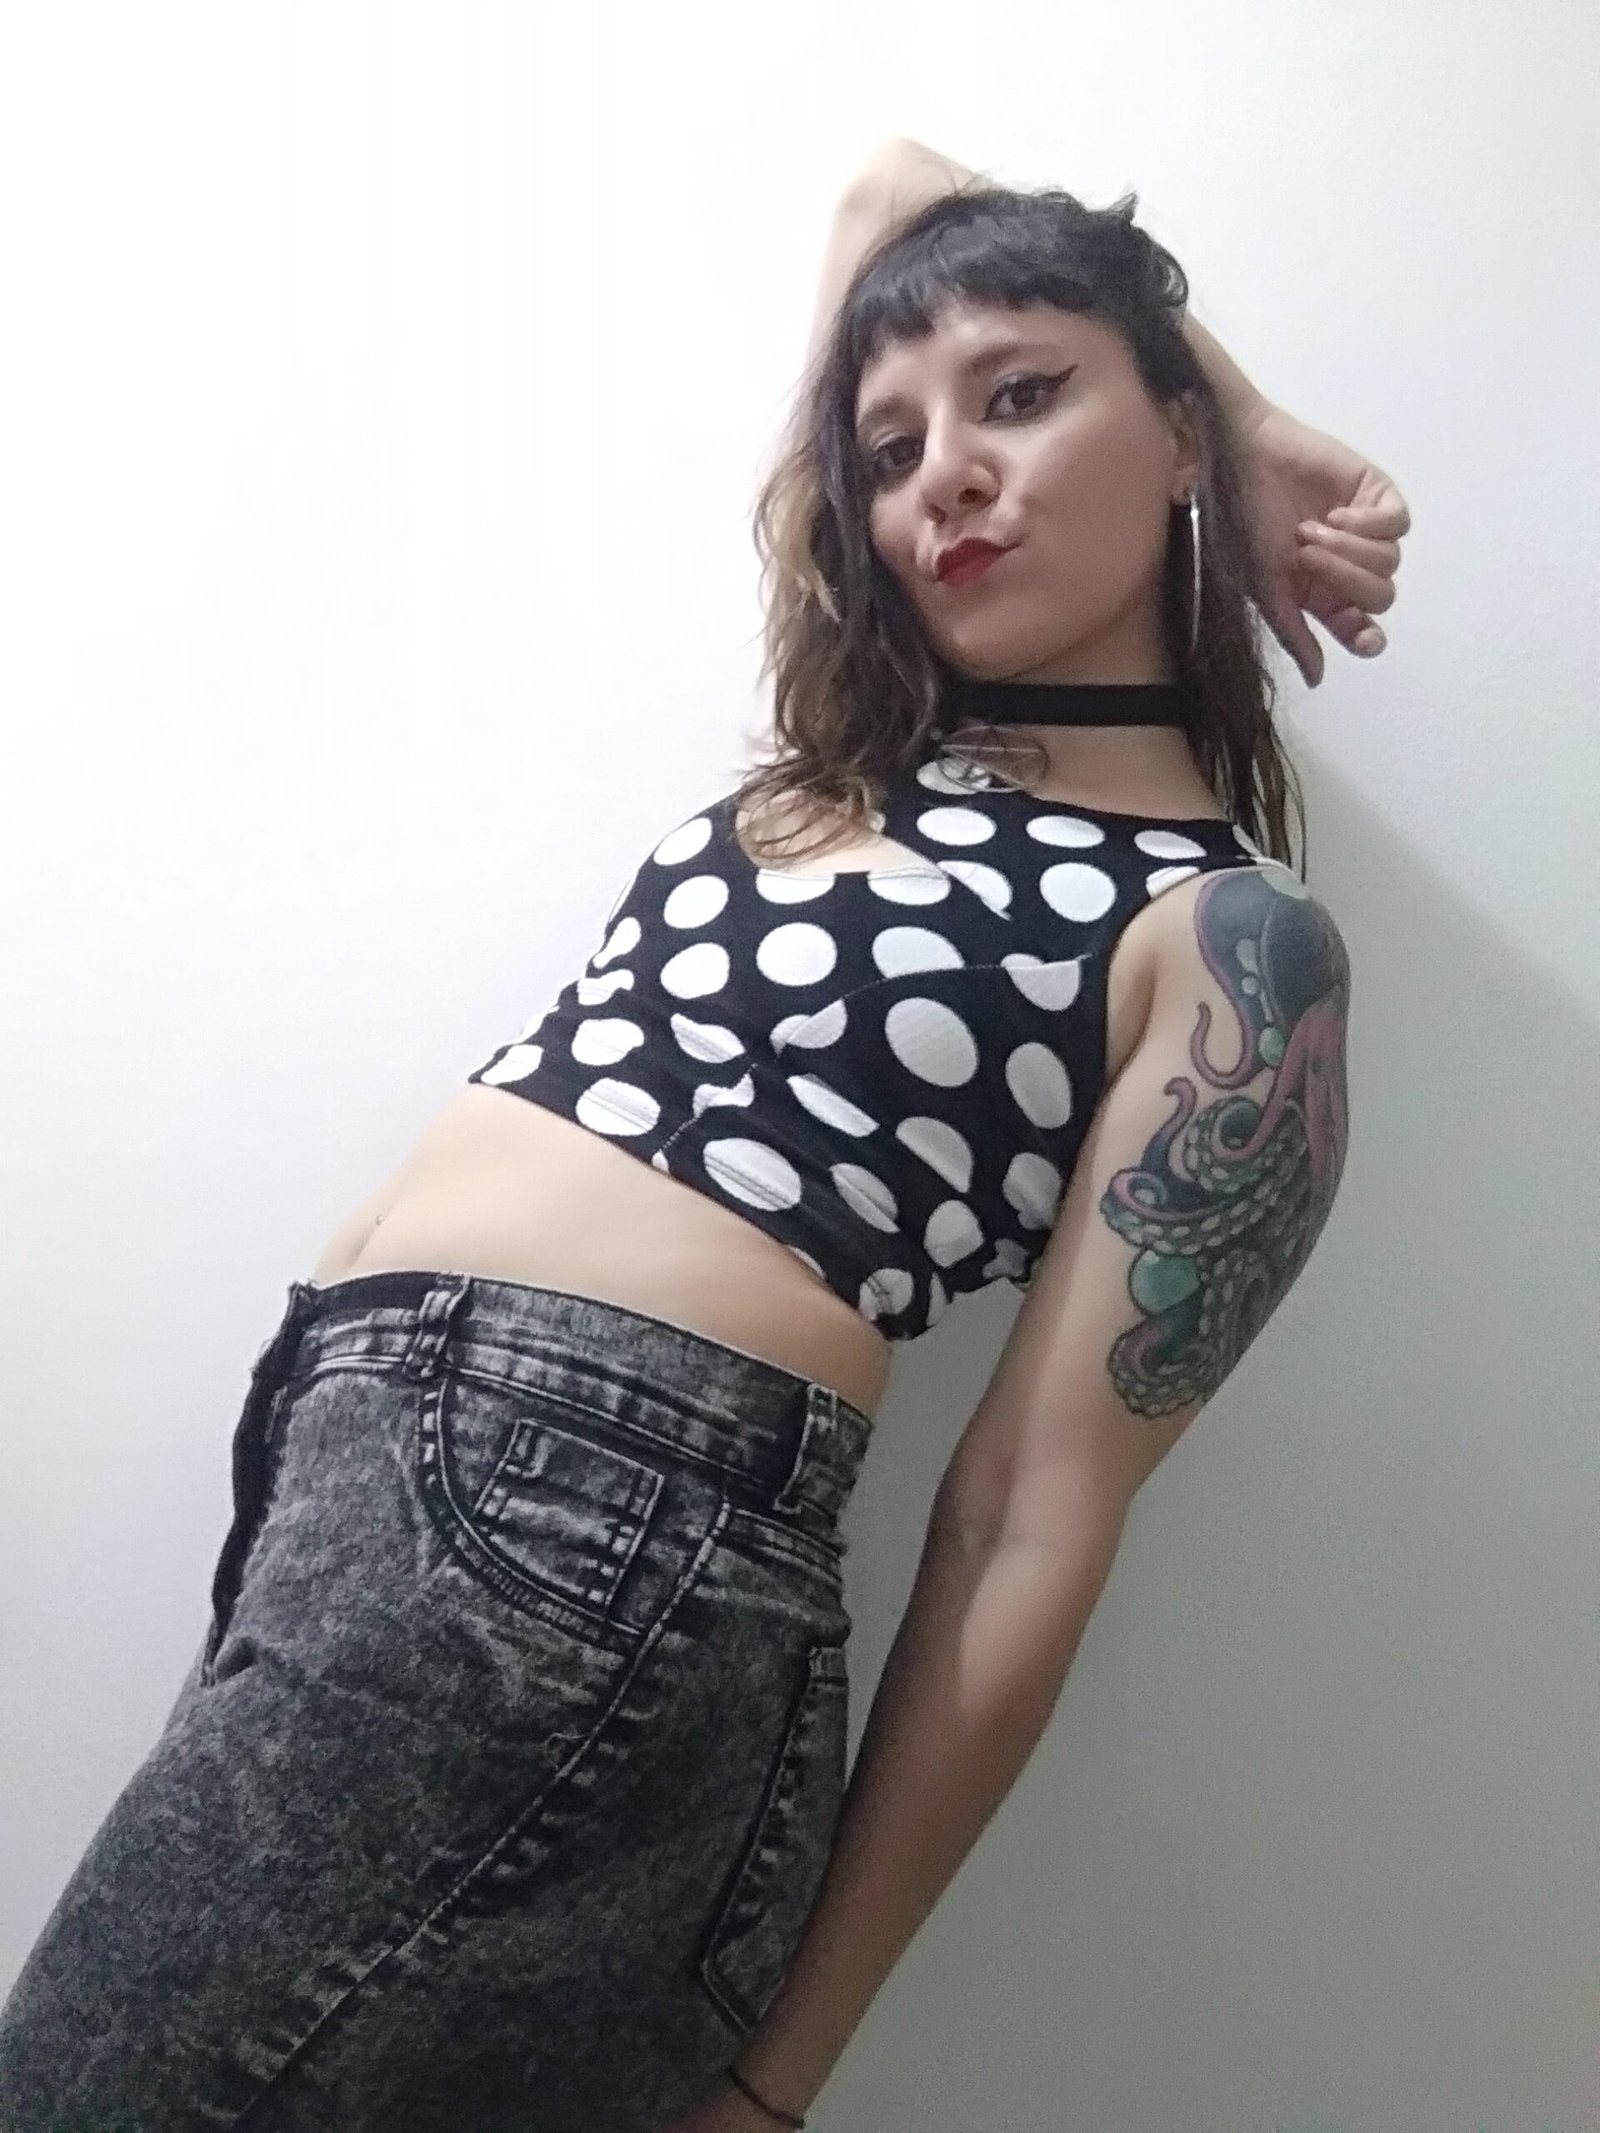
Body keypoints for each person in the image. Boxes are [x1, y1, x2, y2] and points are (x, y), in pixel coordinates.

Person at [0, 138, 1408, 2133]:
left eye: (1022, 392)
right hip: (355, 1481)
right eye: (891, 443)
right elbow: (892, 181)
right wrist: (1242, 418)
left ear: (1162, 430)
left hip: (586, 1532)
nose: (943, 475)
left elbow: (1025, 1516)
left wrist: (773, 2083)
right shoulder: (854, 747)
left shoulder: (1227, 934)